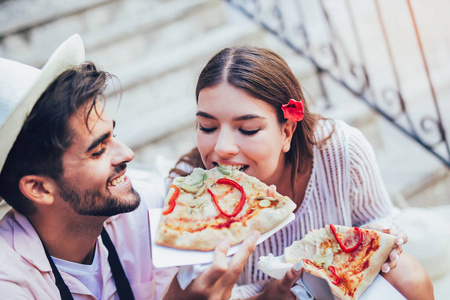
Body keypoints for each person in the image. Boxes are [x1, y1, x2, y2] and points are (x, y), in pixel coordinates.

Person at [0, 35, 260, 300]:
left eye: (113, 135)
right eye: (98, 150)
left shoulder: (148, 211)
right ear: (39, 188)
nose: (127, 153)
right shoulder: (9, 284)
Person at [170, 46, 434, 299]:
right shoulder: (184, 195)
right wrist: (267, 296)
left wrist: (377, 237)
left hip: (336, 291)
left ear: (286, 131)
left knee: (407, 275)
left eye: (248, 129)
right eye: (206, 126)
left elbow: (384, 219)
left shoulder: (340, 149)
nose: (222, 147)